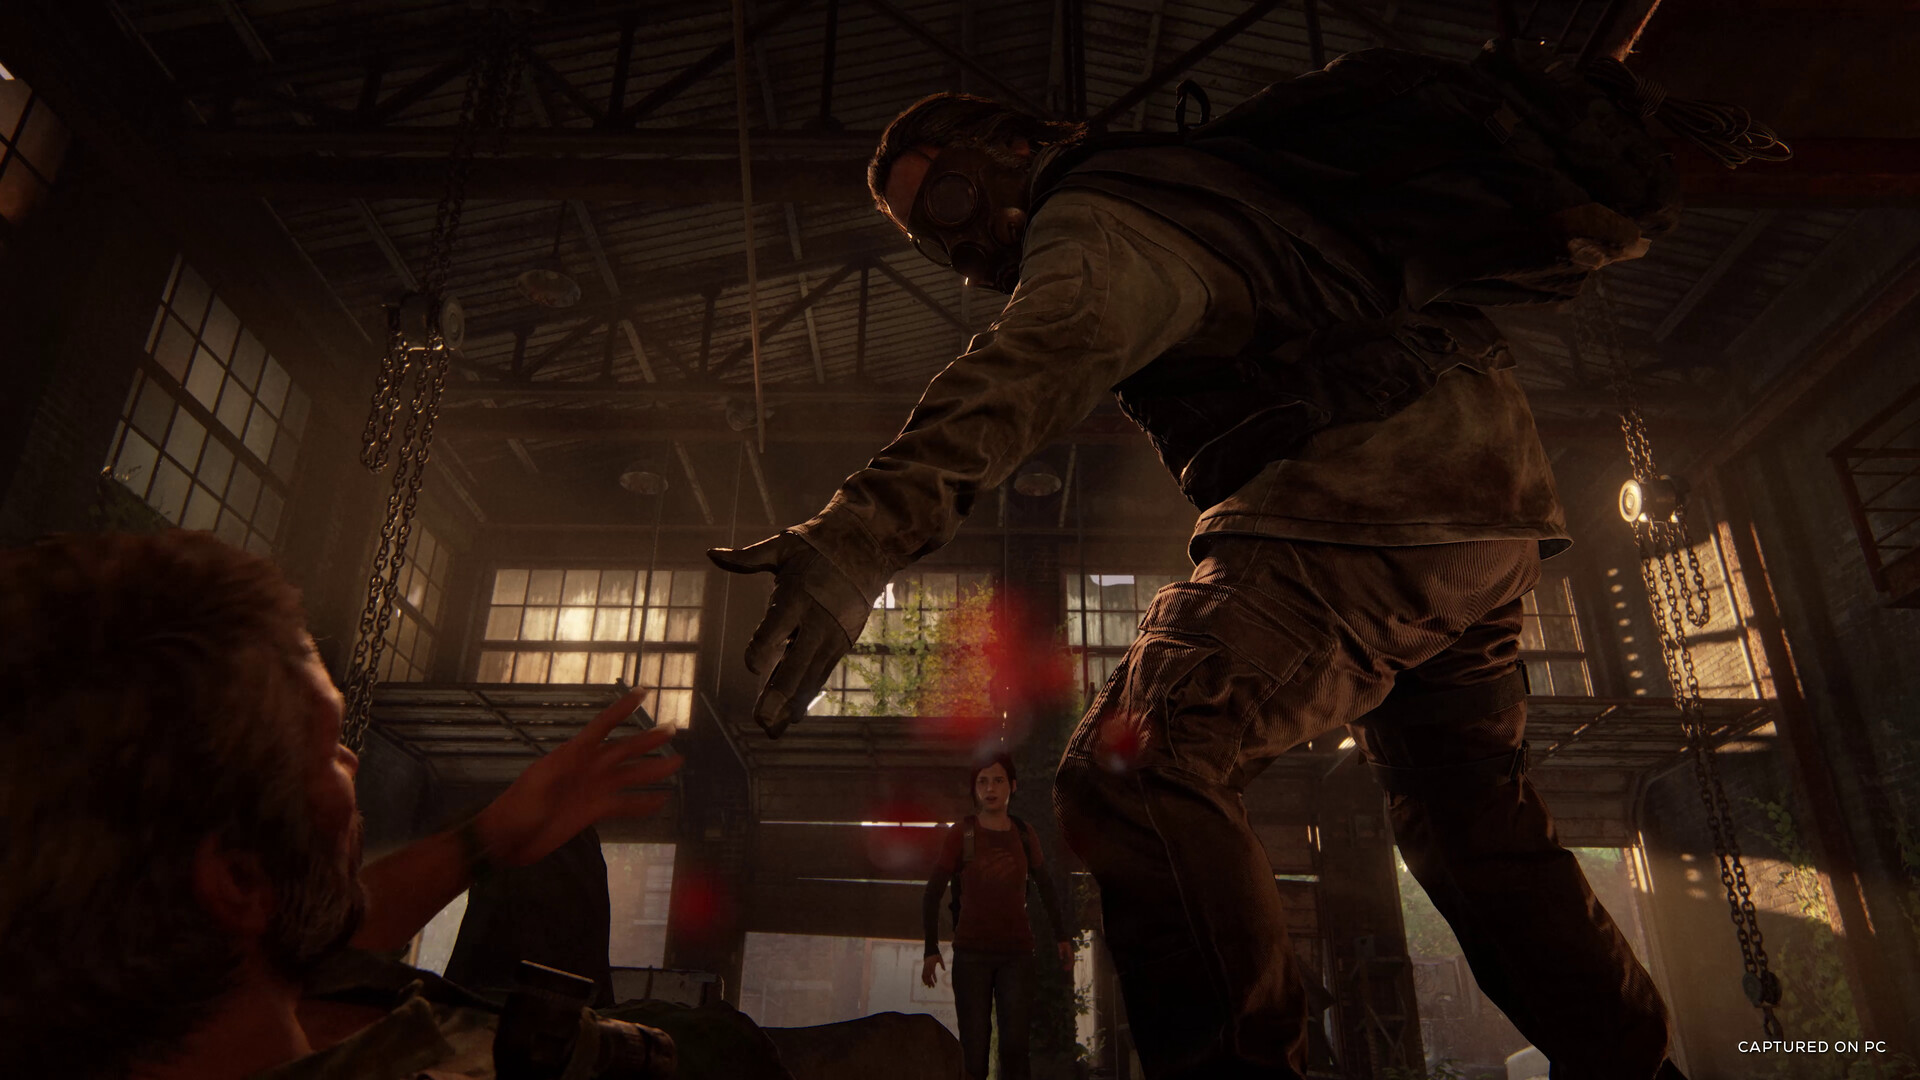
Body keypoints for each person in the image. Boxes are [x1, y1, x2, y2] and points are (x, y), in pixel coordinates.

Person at [711, 40, 1700, 1080]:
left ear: (1013, 147)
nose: (961, 247)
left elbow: (1026, 365)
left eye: (952, 201)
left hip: (1362, 510)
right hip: (1487, 518)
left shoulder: (1097, 210)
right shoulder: (1217, 184)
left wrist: (857, 535)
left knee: (1131, 769)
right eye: (933, 240)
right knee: (1475, 831)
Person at [0, 530, 683, 1079]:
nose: (352, 761)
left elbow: (324, 933)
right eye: (329, 747)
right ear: (239, 879)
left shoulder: (164, 990)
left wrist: (489, 837)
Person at [919, 755, 1072, 1080]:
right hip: (971, 955)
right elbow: (933, 892)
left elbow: (1046, 886)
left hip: (1016, 954)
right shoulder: (963, 833)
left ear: (1012, 786)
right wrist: (930, 948)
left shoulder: (1024, 834)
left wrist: (1062, 936)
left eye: (998, 780)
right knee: (974, 1054)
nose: (990, 789)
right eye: (983, 782)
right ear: (974, 789)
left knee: (1015, 1051)